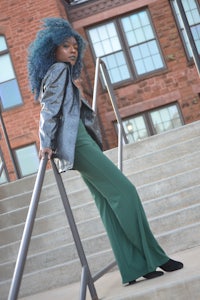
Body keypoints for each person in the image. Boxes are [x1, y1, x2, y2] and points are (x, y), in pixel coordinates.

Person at [27, 17, 183, 285]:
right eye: (66, 46)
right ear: (52, 49)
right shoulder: (59, 71)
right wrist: (46, 142)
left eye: (75, 46)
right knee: (125, 192)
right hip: (77, 144)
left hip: (77, 144)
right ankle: (156, 257)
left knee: (107, 205)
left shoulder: (59, 71)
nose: (73, 50)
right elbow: (49, 109)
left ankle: (134, 267)